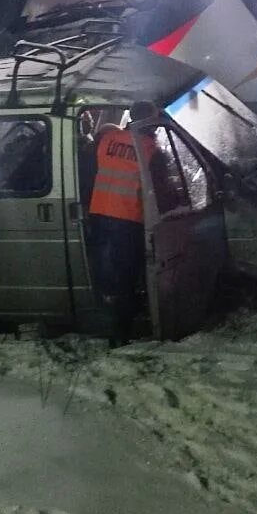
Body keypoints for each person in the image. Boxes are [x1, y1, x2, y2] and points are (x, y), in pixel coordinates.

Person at [86, 100, 161, 344]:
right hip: (128, 219)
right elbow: (161, 188)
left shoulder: (108, 139)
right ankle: (120, 334)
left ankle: (103, 321)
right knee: (126, 276)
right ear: (150, 120)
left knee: (105, 273)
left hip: (98, 214)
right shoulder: (149, 148)